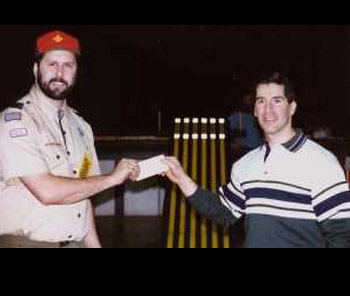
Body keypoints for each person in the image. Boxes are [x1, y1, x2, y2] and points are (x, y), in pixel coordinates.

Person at [163, 72, 350, 248]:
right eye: (261, 101)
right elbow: (224, 212)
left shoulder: (322, 162)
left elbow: (342, 235)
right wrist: (181, 178)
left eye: (277, 101)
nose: (268, 109)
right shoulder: (245, 165)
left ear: (292, 107)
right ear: (254, 110)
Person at [0, 30, 140, 248]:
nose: (59, 73)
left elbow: (84, 194)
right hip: (27, 243)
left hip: (75, 243)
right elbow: (46, 191)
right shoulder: (16, 121)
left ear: (76, 72)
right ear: (36, 69)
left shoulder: (81, 126)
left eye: (68, 65)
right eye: (52, 64)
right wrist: (112, 178)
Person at [228, 92, 263, 160]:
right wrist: (233, 142)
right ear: (243, 100)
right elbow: (230, 129)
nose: (250, 101)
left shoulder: (257, 113)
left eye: (251, 99)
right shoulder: (238, 114)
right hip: (243, 148)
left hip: (258, 147)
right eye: (248, 99)